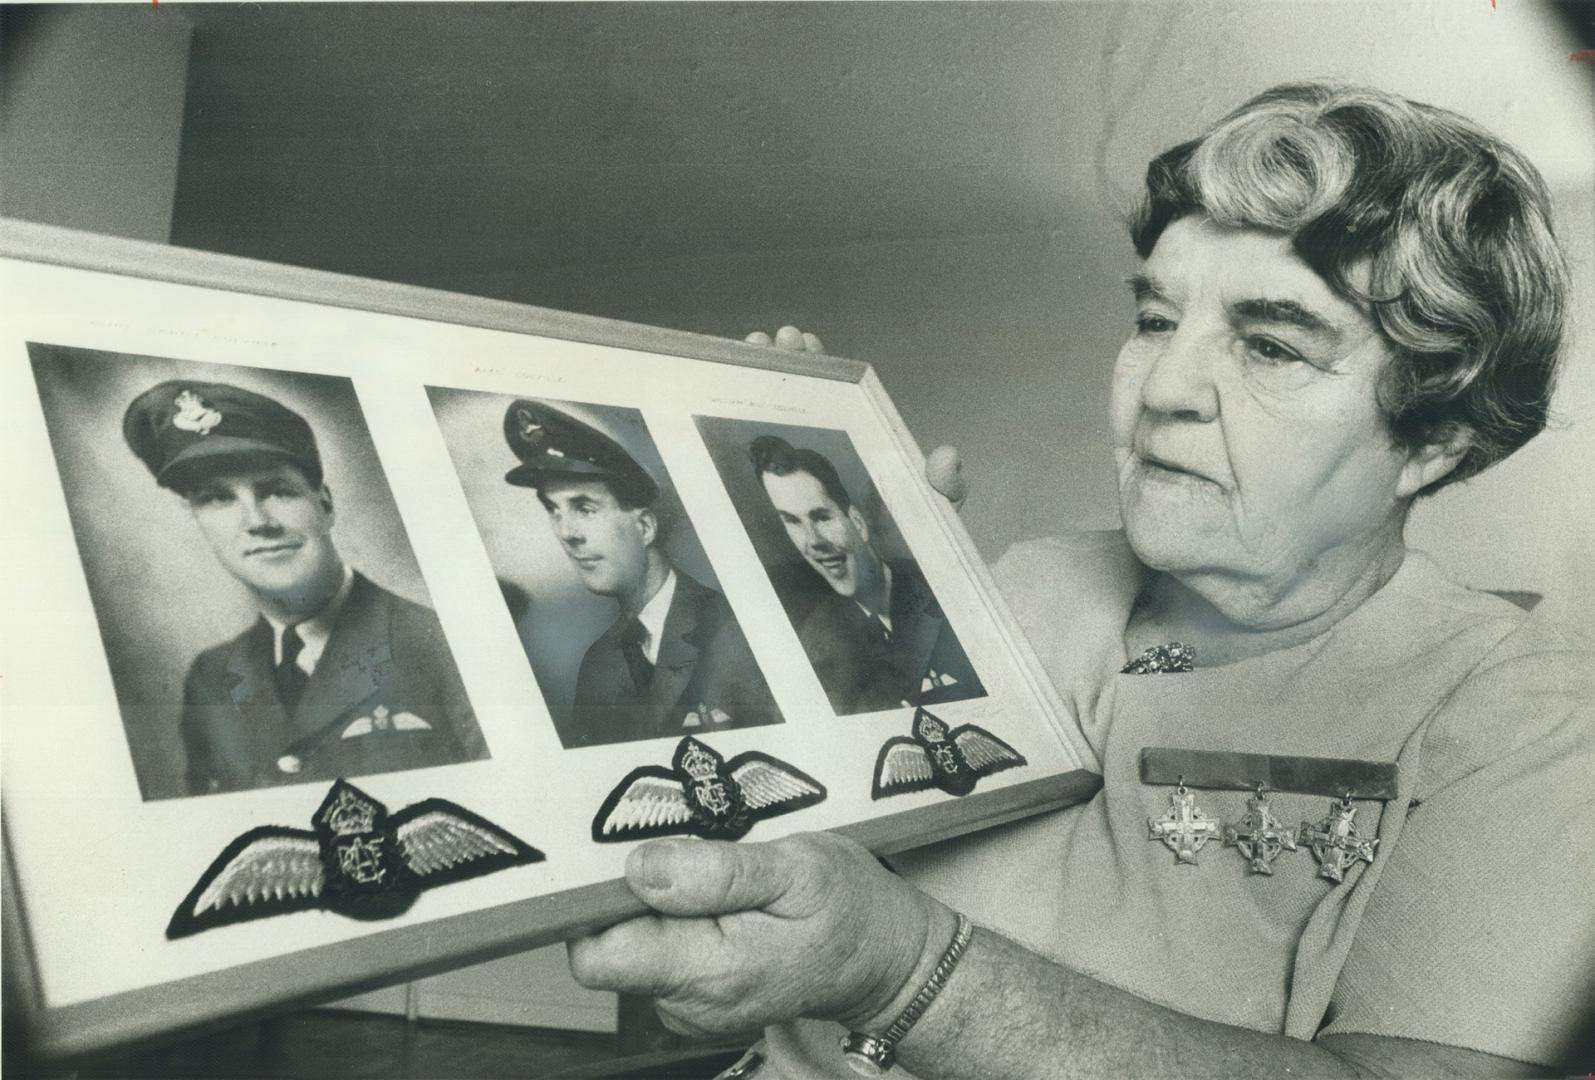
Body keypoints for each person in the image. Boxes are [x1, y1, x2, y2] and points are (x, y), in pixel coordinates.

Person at [566, 83, 1595, 1078]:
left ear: (1434, 440)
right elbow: (771, 876)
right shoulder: (1023, 584)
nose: (1162, 390)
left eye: (1270, 344)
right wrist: (791, 623)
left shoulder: (1523, 711)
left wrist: (901, 971)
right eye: (1154, 320)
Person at [123, 380, 487, 797]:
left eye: (277, 491)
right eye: (218, 499)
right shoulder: (211, 678)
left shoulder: (444, 645)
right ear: (197, 519)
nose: (257, 521)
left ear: (325, 505)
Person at [502, 399, 781, 747]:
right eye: (553, 509)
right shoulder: (597, 665)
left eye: (584, 508)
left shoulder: (736, 627)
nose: (566, 532)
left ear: (645, 527)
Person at [749, 434, 984, 714]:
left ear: (858, 523)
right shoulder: (817, 650)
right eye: (792, 522)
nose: (812, 541)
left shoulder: (938, 580)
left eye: (822, 517)